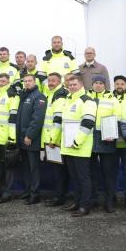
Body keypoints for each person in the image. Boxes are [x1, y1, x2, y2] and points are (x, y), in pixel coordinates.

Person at [57, 74, 96, 217]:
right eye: (70, 85)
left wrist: (77, 142)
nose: (72, 87)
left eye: (75, 84)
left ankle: (85, 206)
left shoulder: (87, 101)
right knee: (75, 177)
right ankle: (77, 202)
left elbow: (88, 123)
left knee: (83, 178)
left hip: (80, 147)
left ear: (81, 85)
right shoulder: (68, 100)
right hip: (68, 147)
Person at [89, 77, 126, 213]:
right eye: (96, 83)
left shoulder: (112, 99)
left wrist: (113, 134)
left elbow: (118, 118)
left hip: (107, 139)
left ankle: (109, 202)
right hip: (89, 139)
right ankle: (92, 200)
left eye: (101, 83)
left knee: (108, 173)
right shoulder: (86, 97)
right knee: (91, 172)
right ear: (92, 84)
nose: (98, 85)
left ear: (105, 85)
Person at [15, 74, 47, 204]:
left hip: (31, 139)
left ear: (35, 82)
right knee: (26, 167)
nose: (27, 83)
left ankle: (35, 194)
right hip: (22, 138)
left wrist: (29, 135)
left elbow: (37, 119)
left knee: (34, 168)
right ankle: (28, 190)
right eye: (25, 81)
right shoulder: (25, 95)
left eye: (29, 81)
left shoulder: (38, 96)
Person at [0, 73, 19, 202]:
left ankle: (7, 192)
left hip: (6, 137)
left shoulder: (12, 96)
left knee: (8, 167)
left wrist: (12, 138)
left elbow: (13, 118)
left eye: (3, 81)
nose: (1, 83)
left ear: (8, 82)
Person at [43, 72, 70, 207]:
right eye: (49, 80)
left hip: (56, 141)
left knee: (59, 172)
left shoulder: (59, 95)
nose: (50, 83)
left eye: (53, 80)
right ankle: (59, 195)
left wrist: (53, 139)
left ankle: (59, 197)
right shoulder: (52, 94)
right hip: (52, 139)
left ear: (59, 81)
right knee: (58, 171)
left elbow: (58, 119)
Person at [112, 75, 126, 208]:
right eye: (117, 84)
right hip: (112, 139)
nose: (119, 86)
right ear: (114, 85)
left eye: (122, 84)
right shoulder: (108, 97)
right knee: (112, 170)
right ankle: (112, 196)